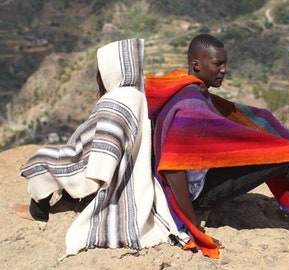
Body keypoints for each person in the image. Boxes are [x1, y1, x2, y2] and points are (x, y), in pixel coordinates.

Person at [145, 33, 289, 258]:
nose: (224, 70)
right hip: (199, 195)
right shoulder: (189, 107)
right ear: (196, 64)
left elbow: (225, 120)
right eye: (218, 64)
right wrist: (193, 226)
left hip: (199, 179)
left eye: (225, 63)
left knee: (265, 129)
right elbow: (174, 169)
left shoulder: (186, 87)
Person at [13, 38, 182, 257]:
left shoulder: (115, 100)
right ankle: (68, 200)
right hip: (129, 169)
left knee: (42, 158)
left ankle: (38, 212)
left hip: (107, 167)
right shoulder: (138, 96)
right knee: (71, 159)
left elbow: (105, 148)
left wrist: (89, 165)